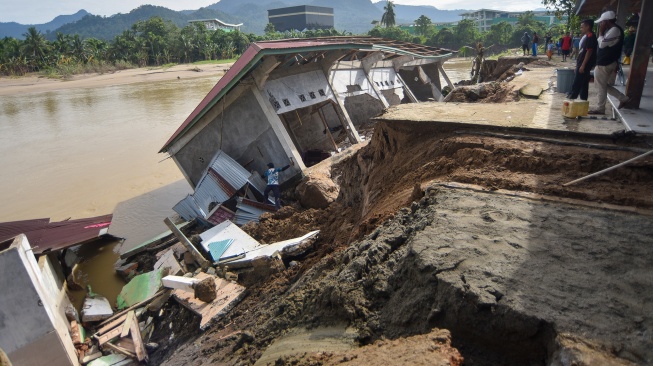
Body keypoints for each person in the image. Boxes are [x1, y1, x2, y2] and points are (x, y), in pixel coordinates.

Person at [589, 10, 630, 114]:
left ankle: (600, 108)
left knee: (600, 86)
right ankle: (623, 98)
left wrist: (601, 32)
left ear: (607, 21)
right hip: (606, 61)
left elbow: (602, 44)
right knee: (602, 85)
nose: (601, 24)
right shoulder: (613, 30)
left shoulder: (614, 30)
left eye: (602, 22)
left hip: (605, 62)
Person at [567, 19, 597, 101]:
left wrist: (583, 65)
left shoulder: (591, 37)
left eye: (582, 27)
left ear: (588, 27)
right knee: (584, 84)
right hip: (581, 63)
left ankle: (571, 99)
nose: (581, 29)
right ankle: (583, 100)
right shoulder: (587, 37)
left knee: (577, 83)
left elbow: (589, 51)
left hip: (584, 64)